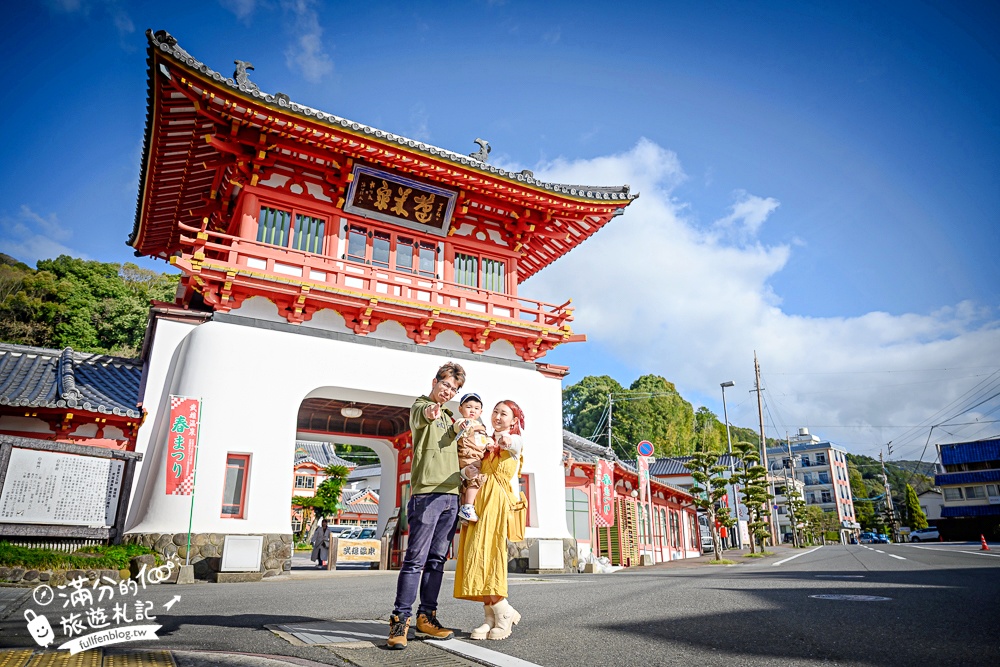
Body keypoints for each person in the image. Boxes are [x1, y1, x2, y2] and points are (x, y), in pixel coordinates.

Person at [387, 362, 466, 650]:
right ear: (434, 382)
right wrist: (432, 410)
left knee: (436, 562)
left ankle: (426, 617)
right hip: (427, 495)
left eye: (454, 389)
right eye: (446, 385)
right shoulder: (421, 407)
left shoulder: (450, 417)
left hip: (452, 495)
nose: (448, 392)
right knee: (415, 560)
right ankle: (400, 620)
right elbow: (424, 414)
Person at [454, 399, 525, 641]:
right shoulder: (483, 438)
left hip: (497, 503)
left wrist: (506, 439)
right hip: (478, 503)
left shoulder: (514, 440)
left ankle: (504, 611)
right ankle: (490, 617)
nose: (497, 416)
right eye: (495, 412)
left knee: (491, 553)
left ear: (513, 420)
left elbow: (515, 443)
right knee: (475, 552)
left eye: (503, 413)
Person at [454, 393, 492, 523]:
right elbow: (457, 426)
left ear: (481, 411)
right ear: (460, 409)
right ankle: (468, 507)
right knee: (475, 480)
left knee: (467, 485)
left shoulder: (481, 426)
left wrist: (490, 443)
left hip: (477, 458)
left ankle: (464, 510)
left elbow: (483, 440)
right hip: (468, 456)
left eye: (476, 408)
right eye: (469, 407)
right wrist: (461, 426)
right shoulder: (463, 422)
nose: (472, 410)